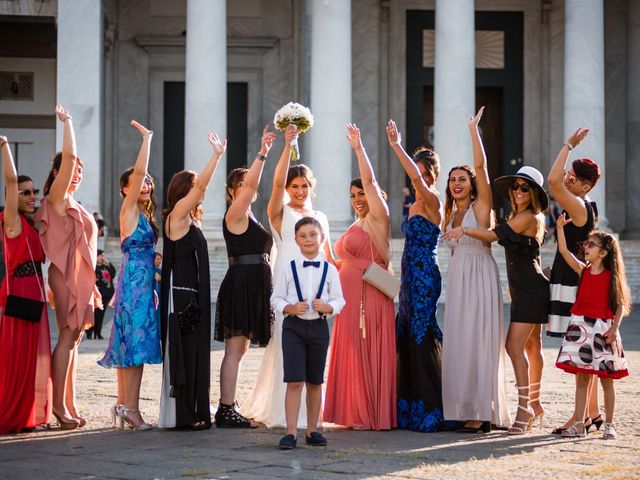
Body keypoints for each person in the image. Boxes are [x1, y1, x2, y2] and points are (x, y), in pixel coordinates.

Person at [443, 165, 550, 435]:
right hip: (522, 289)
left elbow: (493, 235)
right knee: (529, 347)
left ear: (534, 192)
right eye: (515, 186)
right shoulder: (519, 215)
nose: (518, 191)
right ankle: (533, 405)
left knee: (515, 348)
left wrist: (465, 232)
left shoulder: (529, 216)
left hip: (530, 289)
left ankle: (525, 410)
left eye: (525, 187)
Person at [240, 125, 333, 428]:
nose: (299, 191)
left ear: (312, 187)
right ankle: (283, 411)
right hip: (286, 280)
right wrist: (286, 146)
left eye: (304, 185)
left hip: (315, 282)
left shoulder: (320, 218)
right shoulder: (280, 213)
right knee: (286, 343)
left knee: (314, 347)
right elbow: (277, 181)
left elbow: (328, 257)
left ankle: (311, 414)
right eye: (294, 186)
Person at [440, 107, 510, 433]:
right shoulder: (449, 214)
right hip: (458, 279)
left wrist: (473, 130)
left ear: (471, 185)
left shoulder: (481, 208)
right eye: (452, 180)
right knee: (461, 340)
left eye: (462, 179)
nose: (456, 183)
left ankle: (482, 412)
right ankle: (463, 405)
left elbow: (481, 167)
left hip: (480, 275)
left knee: (480, 340)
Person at [323, 123, 396, 430]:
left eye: (363, 193)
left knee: (366, 347)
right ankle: (352, 411)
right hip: (348, 298)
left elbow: (369, 179)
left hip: (371, 296)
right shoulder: (357, 224)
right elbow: (339, 261)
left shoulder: (378, 219)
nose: (358, 198)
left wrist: (358, 148)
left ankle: (369, 412)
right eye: (353, 194)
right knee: (351, 349)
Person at [35, 105, 100, 430]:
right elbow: (70, 157)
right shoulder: (57, 197)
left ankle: (69, 403)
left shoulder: (74, 201)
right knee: (66, 337)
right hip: (64, 277)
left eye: (80, 171)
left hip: (81, 278)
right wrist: (68, 122)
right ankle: (58, 406)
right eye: (71, 169)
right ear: (59, 172)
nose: (76, 173)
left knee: (74, 339)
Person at [158, 131, 226, 430]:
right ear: (183, 190)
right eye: (194, 187)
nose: (199, 191)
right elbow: (201, 187)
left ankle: (194, 411)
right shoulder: (177, 215)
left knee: (194, 350)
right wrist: (216, 156)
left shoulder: (188, 218)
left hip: (190, 293)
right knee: (184, 351)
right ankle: (183, 414)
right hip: (181, 295)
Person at [98, 121, 161, 430]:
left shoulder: (144, 216)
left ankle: (124, 405)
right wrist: (146, 140)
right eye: (139, 182)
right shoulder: (129, 210)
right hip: (134, 284)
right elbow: (137, 175)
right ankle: (133, 410)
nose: (145, 184)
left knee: (128, 347)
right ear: (126, 190)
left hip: (138, 282)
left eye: (149, 181)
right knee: (134, 347)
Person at [214, 126, 276, 428]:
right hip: (241, 284)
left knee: (241, 350)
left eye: (245, 183)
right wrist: (263, 152)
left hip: (254, 285)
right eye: (239, 185)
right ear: (231, 192)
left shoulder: (250, 215)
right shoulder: (235, 214)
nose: (245, 188)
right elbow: (251, 187)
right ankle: (225, 409)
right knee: (235, 350)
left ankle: (229, 404)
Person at [386, 119, 444, 432]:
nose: (419, 178)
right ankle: (408, 407)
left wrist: (396, 145)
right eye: (416, 173)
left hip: (424, 276)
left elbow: (416, 180)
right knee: (406, 336)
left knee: (422, 336)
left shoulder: (433, 201)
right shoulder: (413, 205)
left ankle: (432, 406)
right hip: (409, 276)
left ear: (432, 176)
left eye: (424, 173)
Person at [546, 128, 603, 434]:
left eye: (572, 178)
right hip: (571, 281)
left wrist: (567, 144)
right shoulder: (587, 203)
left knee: (579, 355)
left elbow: (551, 181)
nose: (565, 179)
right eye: (568, 175)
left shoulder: (579, 206)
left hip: (574, 287)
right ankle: (591, 413)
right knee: (581, 354)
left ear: (584, 185)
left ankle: (579, 418)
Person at [554, 214, 631, 439]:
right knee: (582, 378)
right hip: (580, 329)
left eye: (591, 244)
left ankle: (609, 425)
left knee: (606, 380)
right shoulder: (583, 271)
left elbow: (620, 305)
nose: (586, 247)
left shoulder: (611, 277)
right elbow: (564, 252)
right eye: (587, 243)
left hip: (603, 330)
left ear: (604, 252)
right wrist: (559, 228)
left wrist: (614, 328)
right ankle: (580, 423)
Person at [272, 217, 345, 449]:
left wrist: (329, 307)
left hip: (319, 328)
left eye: (313, 235)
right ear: (296, 240)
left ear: (321, 237)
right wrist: (289, 308)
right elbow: (275, 298)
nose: (308, 240)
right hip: (293, 327)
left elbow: (339, 298)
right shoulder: (288, 268)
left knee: (315, 381)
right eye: (303, 236)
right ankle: (291, 432)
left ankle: (312, 430)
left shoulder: (330, 270)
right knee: (294, 380)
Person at [0, 135, 52, 434]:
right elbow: (9, 180)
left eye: (35, 191)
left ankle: (29, 413)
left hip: (34, 291)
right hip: (19, 292)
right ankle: (15, 414)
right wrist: (6, 147)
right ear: (13, 196)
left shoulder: (31, 224)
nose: (33, 196)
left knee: (33, 356)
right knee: (17, 357)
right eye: (25, 192)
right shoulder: (11, 221)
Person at [87, 249, 116, 340]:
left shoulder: (105, 266)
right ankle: (89, 332)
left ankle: (98, 333)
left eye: (103, 255)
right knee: (94, 314)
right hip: (96, 295)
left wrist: (108, 263)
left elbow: (113, 274)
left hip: (106, 294)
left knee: (101, 315)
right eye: (100, 255)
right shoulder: (93, 267)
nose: (102, 257)